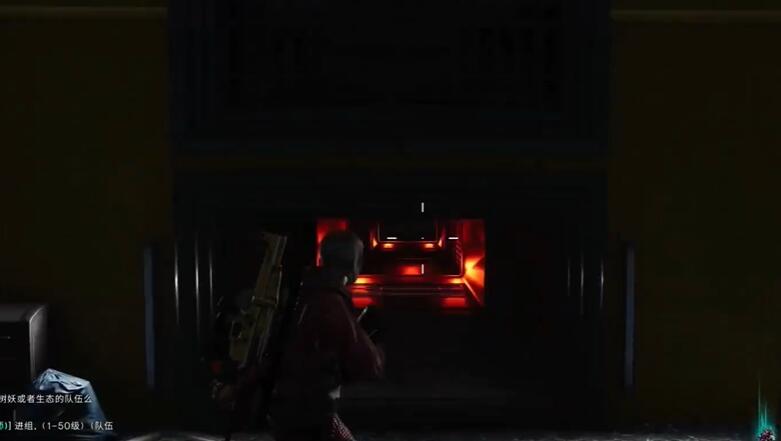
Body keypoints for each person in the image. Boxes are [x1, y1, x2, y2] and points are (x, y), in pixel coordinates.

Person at [268, 230, 384, 441]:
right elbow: (367, 363)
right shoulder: (330, 301)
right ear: (354, 264)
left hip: (286, 406)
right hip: (311, 411)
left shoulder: (302, 291)